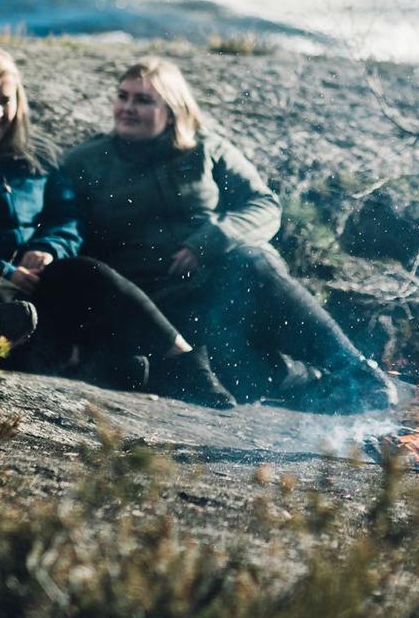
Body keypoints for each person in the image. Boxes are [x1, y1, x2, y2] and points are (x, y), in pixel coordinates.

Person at [0, 45, 235, 402]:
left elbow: (66, 216)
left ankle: (185, 363)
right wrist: (6, 270)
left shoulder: (38, 154)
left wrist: (48, 248)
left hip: (38, 278)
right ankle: (91, 361)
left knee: (86, 271)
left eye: (5, 100)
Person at [63, 57, 398, 412]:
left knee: (252, 261)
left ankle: (355, 373)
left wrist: (209, 242)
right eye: (122, 96)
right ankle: (310, 384)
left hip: (222, 285)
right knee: (247, 377)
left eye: (143, 100)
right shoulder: (85, 161)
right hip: (158, 308)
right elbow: (66, 230)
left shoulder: (206, 148)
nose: (127, 108)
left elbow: (265, 205)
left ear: (173, 110)